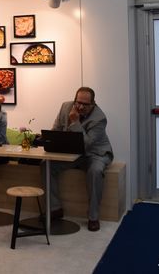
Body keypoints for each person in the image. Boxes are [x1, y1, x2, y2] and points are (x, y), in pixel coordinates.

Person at [44, 87, 113, 232]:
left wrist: (75, 122)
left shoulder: (100, 118)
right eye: (78, 102)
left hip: (95, 153)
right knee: (46, 165)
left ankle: (93, 216)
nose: (80, 107)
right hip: (73, 153)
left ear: (93, 104)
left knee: (95, 171)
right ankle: (55, 208)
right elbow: (56, 130)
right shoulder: (65, 107)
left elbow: (86, 144)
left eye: (85, 104)